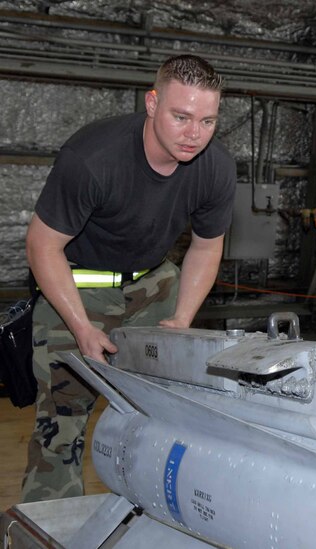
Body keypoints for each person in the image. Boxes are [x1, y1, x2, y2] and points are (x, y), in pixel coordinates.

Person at [21, 54, 237, 502]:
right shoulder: (92, 158)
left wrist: (182, 318)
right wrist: (82, 328)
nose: (194, 134)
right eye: (181, 117)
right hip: (79, 288)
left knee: (166, 416)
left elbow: (206, 245)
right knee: (61, 424)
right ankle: (47, 528)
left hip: (154, 285)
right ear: (152, 103)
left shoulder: (215, 168)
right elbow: (43, 246)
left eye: (207, 121)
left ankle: (155, 514)